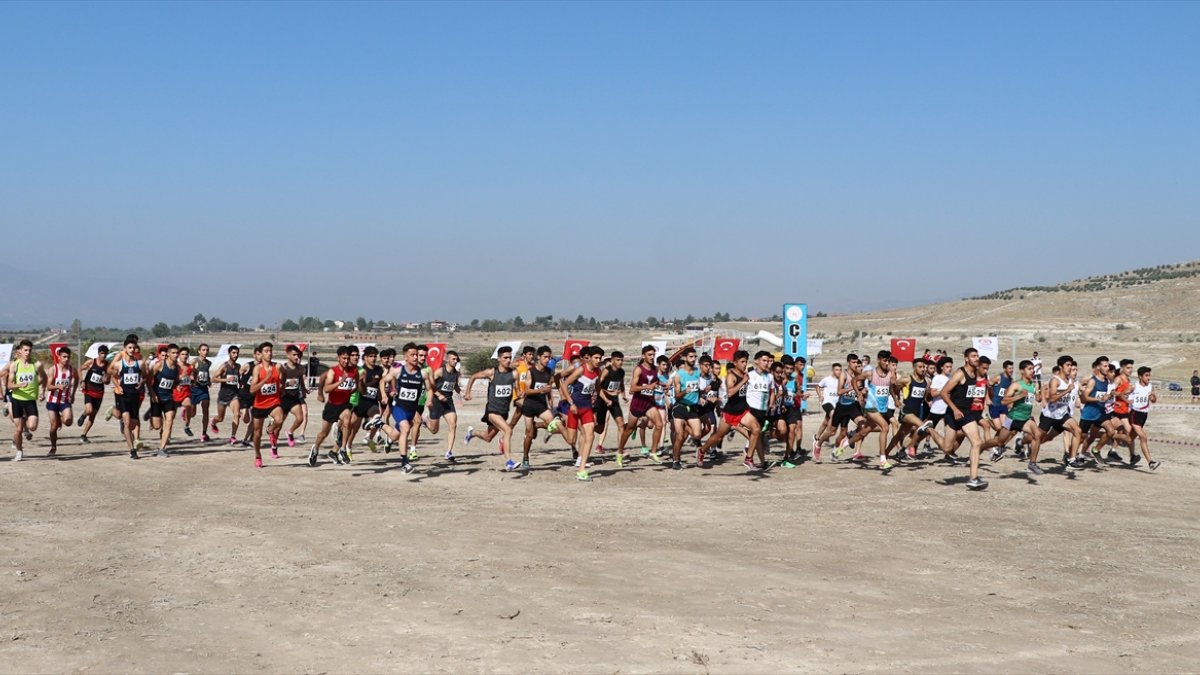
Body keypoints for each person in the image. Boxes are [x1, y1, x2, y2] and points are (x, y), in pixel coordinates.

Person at [307, 346, 365, 468]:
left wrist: (355, 388)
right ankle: (315, 448)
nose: (346, 361)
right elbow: (327, 389)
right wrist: (340, 382)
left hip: (345, 405)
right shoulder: (333, 371)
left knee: (348, 419)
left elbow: (356, 385)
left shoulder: (354, 371)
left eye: (347, 358)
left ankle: (343, 449)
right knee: (323, 433)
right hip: (332, 406)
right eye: (343, 358)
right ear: (338, 358)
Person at [939, 348, 989, 490]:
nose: (976, 358)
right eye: (973, 356)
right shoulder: (960, 373)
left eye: (977, 355)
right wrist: (954, 409)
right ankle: (929, 429)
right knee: (947, 448)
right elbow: (944, 392)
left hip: (966, 413)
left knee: (977, 442)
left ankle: (973, 478)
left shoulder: (975, 373)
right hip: (953, 413)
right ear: (966, 358)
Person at [463, 345, 519, 472]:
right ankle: (509, 462)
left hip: (504, 412)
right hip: (492, 411)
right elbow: (473, 377)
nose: (508, 360)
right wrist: (467, 392)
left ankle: (472, 433)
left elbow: (515, 386)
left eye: (510, 357)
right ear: (498, 358)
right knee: (508, 431)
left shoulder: (514, 373)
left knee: (488, 438)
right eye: (505, 358)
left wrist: (519, 392)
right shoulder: (492, 372)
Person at [983, 360, 1043, 472]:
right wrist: (1019, 396)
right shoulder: (1016, 384)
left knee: (1037, 434)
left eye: (1032, 369)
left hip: (1025, 419)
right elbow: (1004, 401)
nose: (1032, 371)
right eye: (1029, 369)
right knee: (999, 441)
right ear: (1022, 371)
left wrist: (1039, 391)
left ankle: (1032, 464)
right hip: (1012, 418)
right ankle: (981, 447)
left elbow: (1038, 399)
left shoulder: (1033, 384)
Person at [379, 343, 431, 469]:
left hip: (411, 410)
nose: (415, 357)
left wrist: (429, 400)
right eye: (412, 355)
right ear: (405, 357)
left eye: (416, 355)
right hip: (399, 407)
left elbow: (430, 389)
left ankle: (379, 424)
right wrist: (384, 396)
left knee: (394, 436)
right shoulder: (398, 371)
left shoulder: (423, 374)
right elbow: (382, 381)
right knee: (406, 429)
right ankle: (404, 462)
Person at [559, 346, 604, 479]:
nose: (598, 360)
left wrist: (605, 399)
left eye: (600, 358)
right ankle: (559, 425)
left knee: (590, 436)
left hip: (587, 407)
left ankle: (582, 469)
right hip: (575, 407)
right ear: (589, 358)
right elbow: (564, 385)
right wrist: (571, 403)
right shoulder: (580, 370)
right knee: (571, 440)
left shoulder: (598, 371)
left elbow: (597, 387)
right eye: (596, 358)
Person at [617, 345, 666, 466]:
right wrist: (646, 387)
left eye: (653, 355)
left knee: (659, 424)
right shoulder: (638, 369)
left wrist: (662, 385)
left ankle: (653, 452)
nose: (652, 357)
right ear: (643, 356)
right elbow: (633, 388)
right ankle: (619, 452)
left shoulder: (655, 369)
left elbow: (654, 382)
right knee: (629, 429)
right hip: (637, 404)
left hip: (649, 403)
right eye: (649, 355)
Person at [518, 346, 561, 468]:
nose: (548, 360)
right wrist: (541, 390)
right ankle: (526, 458)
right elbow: (526, 390)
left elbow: (548, 387)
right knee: (530, 434)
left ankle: (541, 427)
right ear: (538, 357)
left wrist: (550, 398)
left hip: (542, 405)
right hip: (529, 405)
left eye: (549, 357)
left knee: (555, 425)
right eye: (545, 357)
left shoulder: (549, 371)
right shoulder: (531, 371)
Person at [108, 337, 147, 459]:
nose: (131, 350)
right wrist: (118, 386)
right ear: (125, 349)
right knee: (127, 421)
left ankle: (126, 431)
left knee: (134, 423)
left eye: (133, 348)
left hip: (134, 396)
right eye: (129, 347)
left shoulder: (140, 363)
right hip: (123, 396)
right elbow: (112, 375)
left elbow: (145, 376)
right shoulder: (119, 364)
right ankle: (132, 450)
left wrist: (141, 383)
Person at [8, 340, 46, 461]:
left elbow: (43, 377)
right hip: (17, 400)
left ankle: (25, 422)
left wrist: (42, 391)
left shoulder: (37, 365)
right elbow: (9, 385)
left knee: (33, 426)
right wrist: (19, 385)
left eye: (30, 350)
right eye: (25, 350)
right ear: (20, 351)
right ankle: (19, 451)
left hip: (30, 400)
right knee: (18, 429)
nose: (28, 352)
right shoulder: (15, 365)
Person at [248, 341, 284, 468]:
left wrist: (282, 386)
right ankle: (258, 455)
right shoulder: (258, 369)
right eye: (266, 351)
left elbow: (283, 376)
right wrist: (265, 379)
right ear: (261, 354)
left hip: (274, 401)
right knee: (257, 434)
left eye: (270, 351)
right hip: (260, 404)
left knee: (279, 420)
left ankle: (270, 429)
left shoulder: (277, 367)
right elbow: (252, 390)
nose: (269, 354)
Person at [668, 347, 704, 471]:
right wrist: (685, 391)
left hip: (693, 408)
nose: (693, 359)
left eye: (695, 357)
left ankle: (693, 440)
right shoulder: (679, 375)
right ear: (684, 358)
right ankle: (676, 461)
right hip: (680, 407)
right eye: (691, 357)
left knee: (698, 434)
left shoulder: (697, 373)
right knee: (679, 437)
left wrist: (702, 396)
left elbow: (698, 388)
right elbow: (676, 396)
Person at [425, 350, 462, 461]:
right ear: (447, 359)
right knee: (434, 430)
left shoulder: (456, 373)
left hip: (448, 401)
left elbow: (455, 386)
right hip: (436, 402)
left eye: (457, 359)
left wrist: (462, 393)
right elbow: (429, 385)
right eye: (453, 359)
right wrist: (438, 394)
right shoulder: (440, 372)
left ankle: (449, 452)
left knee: (453, 424)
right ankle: (425, 421)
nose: (455, 361)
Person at [44, 346, 79, 457]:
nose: (66, 359)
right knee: (54, 426)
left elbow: (77, 379)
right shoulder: (53, 369)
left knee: (68, 422)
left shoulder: (72, 370)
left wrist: (73, 394)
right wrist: (58, 387)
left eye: (68, 357)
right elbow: (48, 387)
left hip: (65, 400)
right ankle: (53, 447)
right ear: (58, 357)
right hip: (53, 400)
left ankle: (60, 418)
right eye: (64, 357)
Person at [147, 344, 181, 458]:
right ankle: (152, 416)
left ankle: (162, 449)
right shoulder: (160, 365)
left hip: (168, 398)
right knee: (157, 426)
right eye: (174, 353)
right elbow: (148, 379)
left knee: (170, 420)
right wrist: (152, 392)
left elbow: (175, 381)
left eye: (177, 353)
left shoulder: (177, 368)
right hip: (157, 398)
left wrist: (177, 385)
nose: (176, 355)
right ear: (168, 354)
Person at [1129, 366, 1161, 470]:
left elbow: (1153, 400)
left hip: (1144, 415)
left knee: (1129, 438)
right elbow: (1123, 396)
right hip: (1134, 414)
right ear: (1140, 376)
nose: (1149, 378)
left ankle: (1112, 437)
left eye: (1149, 375)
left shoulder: (1150, 386)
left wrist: (1153, 397)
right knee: (1143, 437)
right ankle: (1150, 462)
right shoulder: (1134, 387)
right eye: (1146, 375)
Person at [211, 346, 244, 444]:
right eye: (233, 353)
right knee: (220, 418)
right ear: (229, 354)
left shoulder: (238, 366)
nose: (235, 355)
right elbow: (213, 379)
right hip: (223, 396)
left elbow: (238, 378)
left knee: (237, 414)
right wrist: (225, 380)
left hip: (234, 395)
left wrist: (241, 383)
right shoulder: (224, 366)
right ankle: (213, 422)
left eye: (237, 353)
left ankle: (233, 436)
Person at [78, 344, 110, 444]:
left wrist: (106, 380)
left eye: (105, 354)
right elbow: (79, 369)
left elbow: (108, 381)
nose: (103, 356)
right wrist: (82, 380)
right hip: (89, 390)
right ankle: (83, 416)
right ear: (98, 353)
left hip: (99, 393)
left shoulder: (107, 366)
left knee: (93, 416)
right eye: (102, 353)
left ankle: (83, 435)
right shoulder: (92, 362)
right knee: (89, 410)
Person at [279, 345, 308, 448]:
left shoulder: (300, 368)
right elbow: (277, 384)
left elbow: (300, 380)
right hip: (283, 398)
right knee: (279, 423)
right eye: (294, 355)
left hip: (294, 399)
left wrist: (304, 390)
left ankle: (290, 431)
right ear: (288, 355)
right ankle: (274, 446)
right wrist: (286, 384)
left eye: (298, 355)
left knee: (300, 418)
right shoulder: (283, 368)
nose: (297, 357)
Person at [188, 343, 214, 442]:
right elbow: (188, 372)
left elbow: (206, 374)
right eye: (203, 350)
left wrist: (209, 381)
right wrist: (191, 377)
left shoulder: (208, 363)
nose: (205, 352)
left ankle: (204, 433)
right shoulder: (194, 361)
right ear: (199, 351)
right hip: (194, 389)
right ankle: (187, 412)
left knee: (205, 409)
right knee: (193, 413)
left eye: (207, 350)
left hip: (204, 389)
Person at [172, 346, 196, 438]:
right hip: (175, 393)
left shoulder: (190, 366)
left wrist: (193, 380)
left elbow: (195, 373)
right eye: (182, 354)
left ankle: (186, 426)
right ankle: (166, 432)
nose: (184, 356)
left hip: (186, 392)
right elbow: (170, 377)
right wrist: (179, 379)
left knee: (189, 405)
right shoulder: (175, 366)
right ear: (179, 355)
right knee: (171, 417)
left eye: (186, 354)